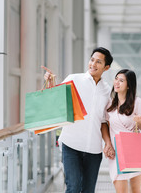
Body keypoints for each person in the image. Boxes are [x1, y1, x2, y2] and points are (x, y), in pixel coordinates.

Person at [44, 47, 115, 193]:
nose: (93, 64)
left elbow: (103, 121)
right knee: (73, 187)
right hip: (71, 144)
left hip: (94, 149)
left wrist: (108, 143)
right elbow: (56, 101)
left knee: (88, 190)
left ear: (106, 67)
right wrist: (50, 82)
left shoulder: (107, 90)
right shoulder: (74, 79)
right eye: (92, 60)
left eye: (98, 62)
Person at [105, 69, 141, 193]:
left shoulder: (137, 102)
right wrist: (107, 145)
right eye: (116, 79)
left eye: (121, 80)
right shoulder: (110, 104)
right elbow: (107, 127)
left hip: (134, 151)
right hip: (116, 153)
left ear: (129, 85)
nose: (117, 82)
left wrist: (139, 122)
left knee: (135, 191)